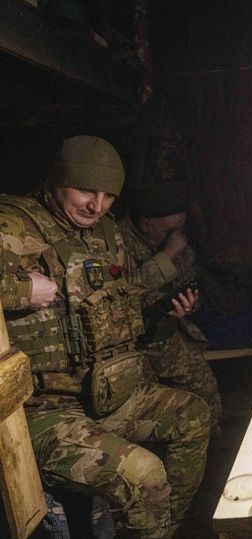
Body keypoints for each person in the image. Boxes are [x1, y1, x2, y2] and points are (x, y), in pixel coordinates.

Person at [0, 136, 210, 537]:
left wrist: (168, 313)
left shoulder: (106, 233)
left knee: (193, 415)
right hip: (47, 412)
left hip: (110, 395)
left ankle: (163, 528)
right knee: (144, 475)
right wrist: (23, 291)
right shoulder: (11, 224)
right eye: (85, 191)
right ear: (56, 182)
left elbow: (130, 303)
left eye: (108, 195)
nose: (97, 206)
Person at [117, 182, 222, 436]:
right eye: (170, 231)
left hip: (165, 335)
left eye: (180, 230)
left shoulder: (178, 241)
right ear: (145, 225)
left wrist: (188, 305)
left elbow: (190, 282)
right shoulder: (116, 242)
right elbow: (123, 293)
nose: (178, 237)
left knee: (207, 393)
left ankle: (212, 450)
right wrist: (167, 254)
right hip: (128, 343)